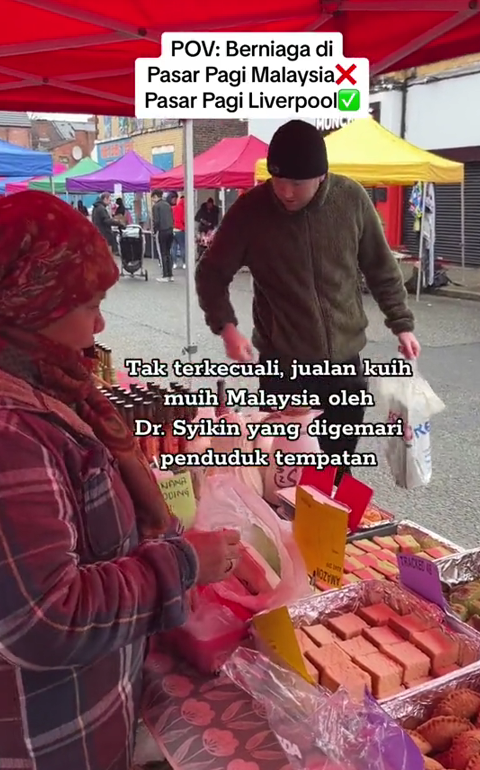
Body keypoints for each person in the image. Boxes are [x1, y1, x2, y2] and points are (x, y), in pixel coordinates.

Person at [0, 190, 240, 770]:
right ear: (31, 305)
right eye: (90, 304)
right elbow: (45, 619)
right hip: (50, 739)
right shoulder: (11, 431)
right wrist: (182, 564)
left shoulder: (48, 380)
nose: (104, 322)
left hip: (86, 711)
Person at [196, 120, 421, 481]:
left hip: (345, 365)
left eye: (296, 183)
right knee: (286, 475)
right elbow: (211, 273)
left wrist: (402, 325)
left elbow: (381, 267)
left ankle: (333, 532)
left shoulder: (351, 200)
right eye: (277, 180)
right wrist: (227, 328)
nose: (285, 191)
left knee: (336, 468)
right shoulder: (250, 211)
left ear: (321, 175)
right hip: (285, 368)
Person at [151, 188, 174, 283]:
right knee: (168, 253)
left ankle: (165, 275)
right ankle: (170, 275)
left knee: (163, 253)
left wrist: (154, 230)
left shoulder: (156, 206)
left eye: (152, 198)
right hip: (170, 230)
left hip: (162, 231)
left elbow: (156, 220)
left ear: (156, 196)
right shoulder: (168, 205)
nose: (152, 200)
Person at [173, 192, 186, 268]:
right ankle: (184, 263)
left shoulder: (174, 208)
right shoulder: (184, 208)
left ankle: (174, 263)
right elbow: (184, 219)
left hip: (173, 229)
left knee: (173, 247)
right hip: (181, 229)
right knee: (182, 247)